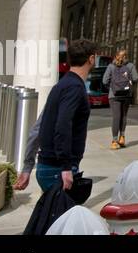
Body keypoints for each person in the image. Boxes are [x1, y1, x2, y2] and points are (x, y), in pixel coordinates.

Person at [36, 39, 97, 193]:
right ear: (91, 59)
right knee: (62, 215)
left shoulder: (64, 84)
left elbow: (42, 124)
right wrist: (66, 167)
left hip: (50, 165)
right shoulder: (74, 88)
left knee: (52, 215)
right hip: (57, 169)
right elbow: (62, 125)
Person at [102, 49, 137, 150]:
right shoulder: (130, 65)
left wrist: (113, 87)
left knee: (116, 117)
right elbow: (135, 78)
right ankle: (122, 138)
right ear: (126, 56)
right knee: (124, 116)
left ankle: (114, 141)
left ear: (116, 56)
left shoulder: (111, 66)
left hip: (114, 95)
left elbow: (104, 80)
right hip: (126, 95)